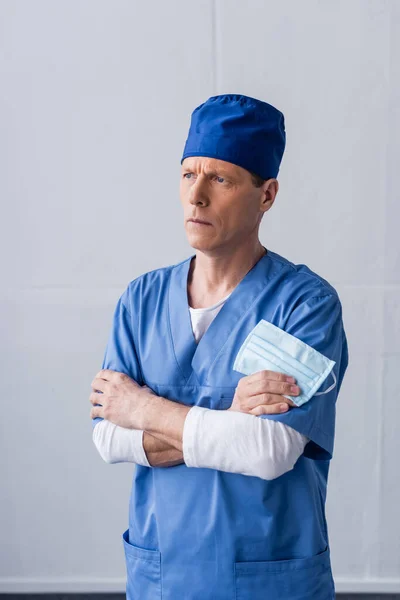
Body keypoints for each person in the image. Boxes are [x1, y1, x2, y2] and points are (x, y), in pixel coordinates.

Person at [89, 93, 349, 600]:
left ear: (267, 194)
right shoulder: (141, 299)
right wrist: (226, 416)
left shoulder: (304, 304)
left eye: (221, 179)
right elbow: (107, 439)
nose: (197, 196)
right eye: (189, 175)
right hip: (161, 577)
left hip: (269, 581)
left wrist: (143, 408)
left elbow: (268, 449)